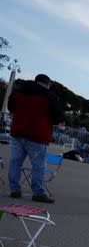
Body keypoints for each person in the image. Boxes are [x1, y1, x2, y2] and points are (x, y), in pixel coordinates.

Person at [7, 73, 64, 203]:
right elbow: (58, 116)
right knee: (38, 165)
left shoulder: (19, 91)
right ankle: (38, 193)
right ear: (48, 84)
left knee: (15, 162)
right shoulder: (49, 96)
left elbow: (11, 108)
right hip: (38, 134)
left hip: (18, 131)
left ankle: (14, 190)